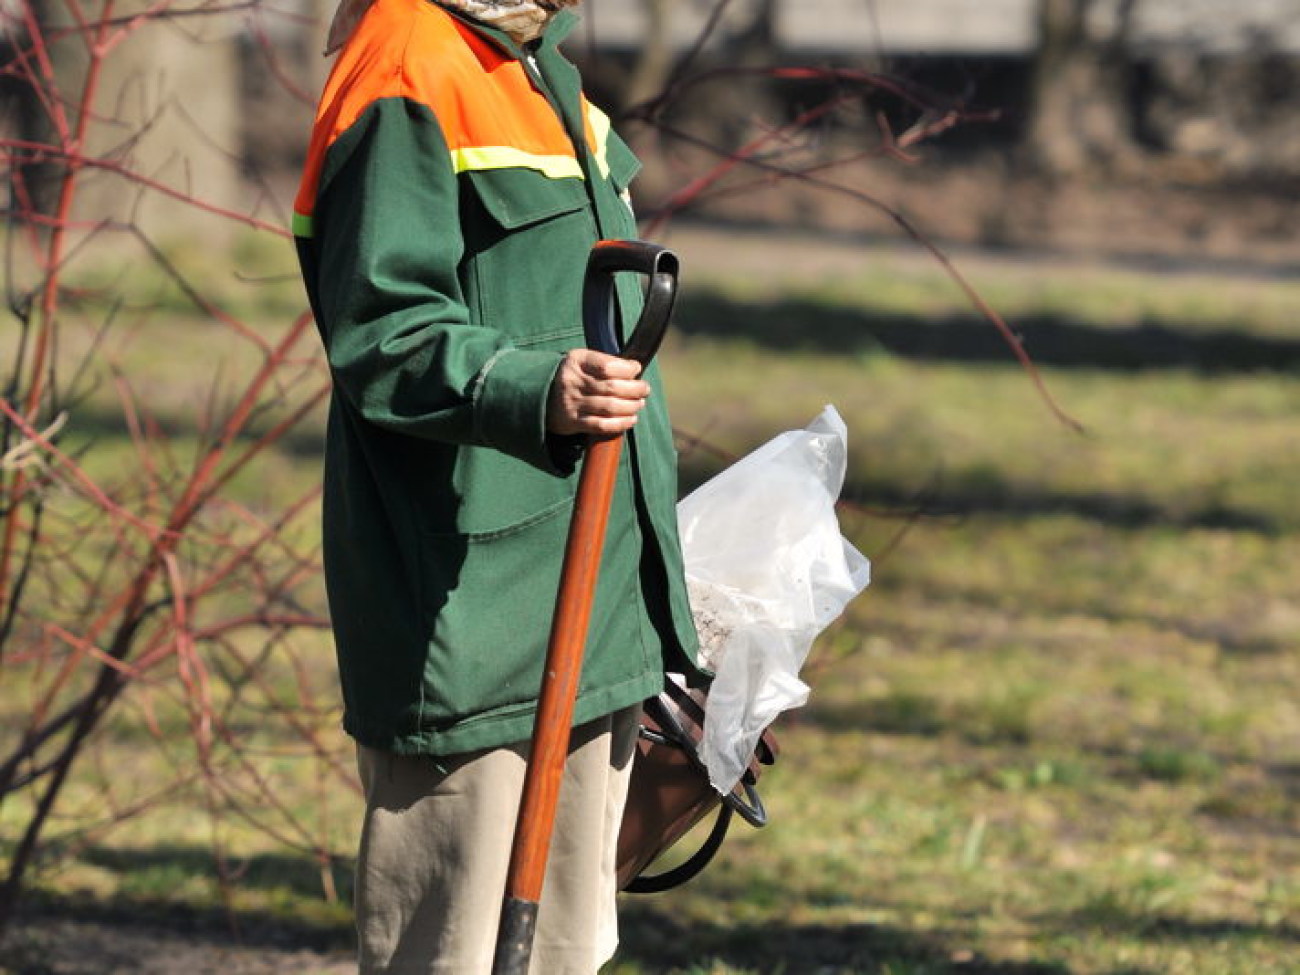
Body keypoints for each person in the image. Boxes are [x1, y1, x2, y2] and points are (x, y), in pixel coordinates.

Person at [291, 0, 702, 971]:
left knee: (565, 946)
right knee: (456, 949)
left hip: (588, 596)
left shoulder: (534, 65)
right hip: (472, 615)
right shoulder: (408, 61)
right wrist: (535, 386)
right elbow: (380, 331)